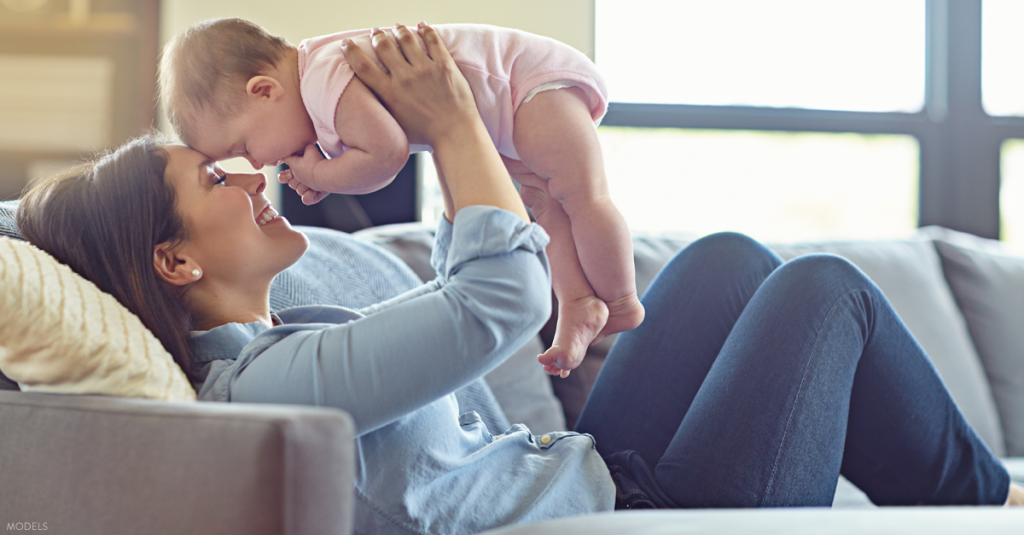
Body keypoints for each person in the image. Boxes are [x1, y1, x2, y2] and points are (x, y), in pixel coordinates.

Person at [15, 23, 1023, 535]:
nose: (248, 176)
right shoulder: (260, 393)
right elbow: (499, 303)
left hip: (594, 468)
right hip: (636, 510)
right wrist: (452, 122)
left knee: (724, 262)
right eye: (212, 177)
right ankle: (987, 507)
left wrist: (455, 142)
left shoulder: (290, 340)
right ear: (176, 261)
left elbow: (466, 285)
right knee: (823, 293)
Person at [157, 18, 644, 377]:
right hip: (503, 116)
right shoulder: (321, 92)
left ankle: (621, 299)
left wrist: (325, 174)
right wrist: (326, 167)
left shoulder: (325, 76)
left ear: (264, 90)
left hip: (529, 87)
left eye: (243, 148)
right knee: (549, 208)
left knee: (582, 198)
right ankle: (580, 301)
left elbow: (385, 156)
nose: (259, 166)